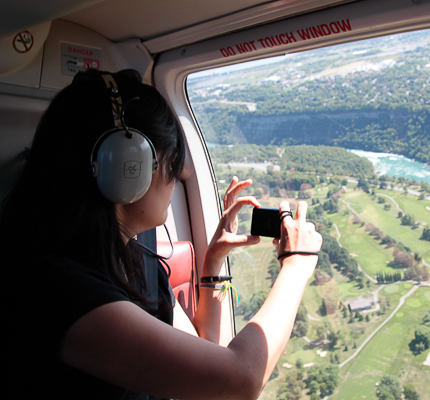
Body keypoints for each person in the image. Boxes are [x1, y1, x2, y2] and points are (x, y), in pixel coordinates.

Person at [2, 69, 322, 399]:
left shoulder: (136, 262)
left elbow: (202, 358)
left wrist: (213, 263)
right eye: (170, 162)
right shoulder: (58, 291)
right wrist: (296, 265)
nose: (176, 176)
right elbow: (239, 382)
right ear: (128, 168)